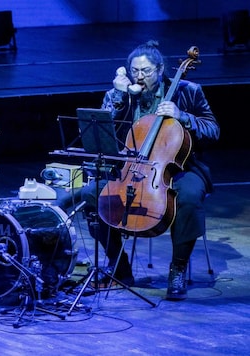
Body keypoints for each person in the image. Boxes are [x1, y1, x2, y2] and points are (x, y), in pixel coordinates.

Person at [80, 40, 220, 300]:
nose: (139, 76)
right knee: (91, 194)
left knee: (188, 197)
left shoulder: (187, 91)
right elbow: (102, 135)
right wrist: (121, 99)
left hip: (179, 167)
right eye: (135, 71)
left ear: (160, 69)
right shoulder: (118, 95)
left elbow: (213, 130)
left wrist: (183, 116)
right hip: (130, 167)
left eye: (145, 71)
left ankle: (177, 268)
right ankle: (119, 268)